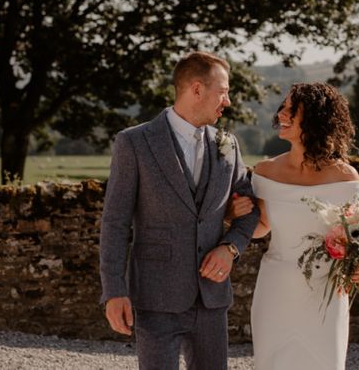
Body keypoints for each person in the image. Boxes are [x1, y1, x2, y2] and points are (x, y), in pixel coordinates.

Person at [100, 51, 260, 370]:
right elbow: (115, 223)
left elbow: (250, 210)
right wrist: (114, 290)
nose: (227, 101)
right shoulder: (134, 142)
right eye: (223, 91)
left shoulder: (228, 144)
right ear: (197, 89)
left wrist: (231, 248)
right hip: (156, 296)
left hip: (211, 298)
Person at [229, 82, 359, 370]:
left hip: (325, 292)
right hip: (275, 289)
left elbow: (357, 239)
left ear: (315, 118)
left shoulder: (345, 177)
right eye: (282, 107)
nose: (282, 114)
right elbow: (262, 226)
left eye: (292, 109)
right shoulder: (265, 171)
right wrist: (230, 216)